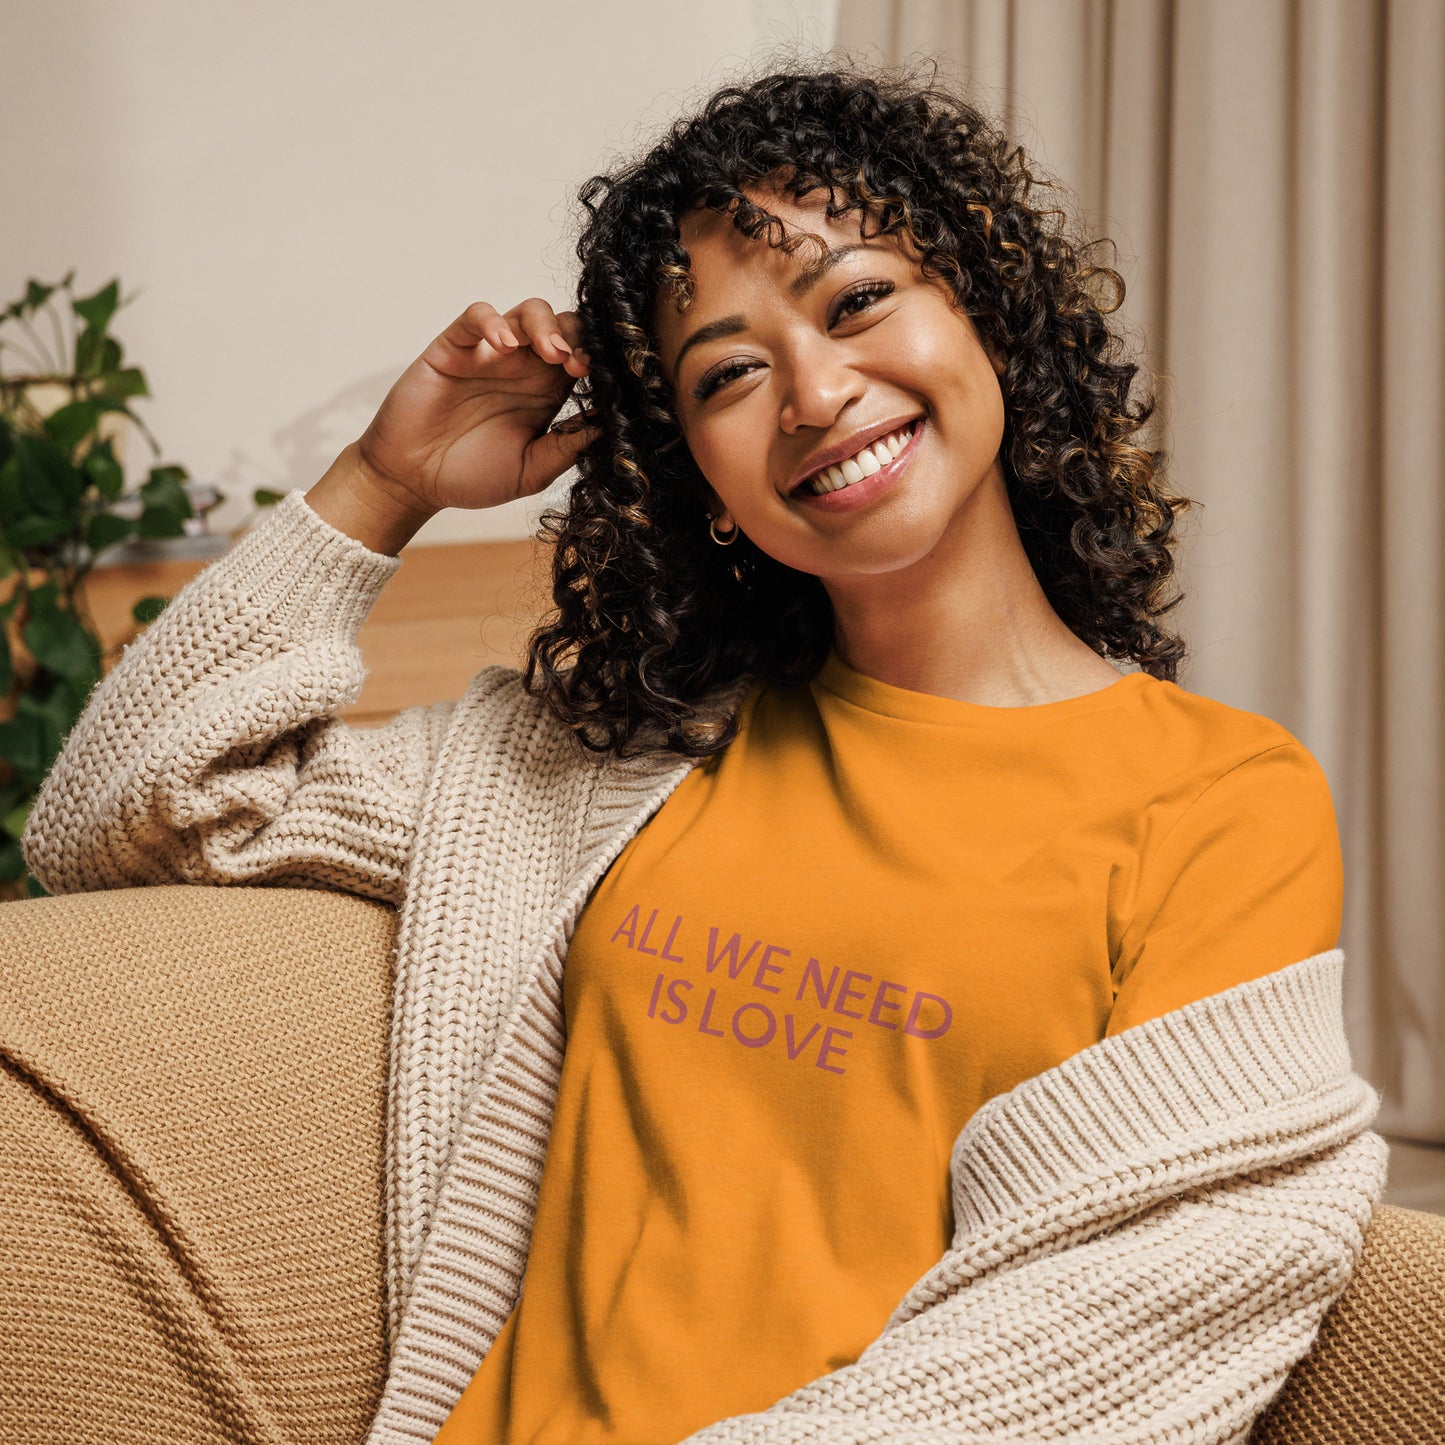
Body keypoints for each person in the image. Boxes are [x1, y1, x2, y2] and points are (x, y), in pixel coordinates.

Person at [16, 60, 1385, 1445]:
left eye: (858, 301)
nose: (811, 390)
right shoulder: (612, 763)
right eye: (728, 371)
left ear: (986, 315)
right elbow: (128, 813)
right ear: (703, 482)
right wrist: (383, 483)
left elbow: (1135, 1301)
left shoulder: (1216, 797)